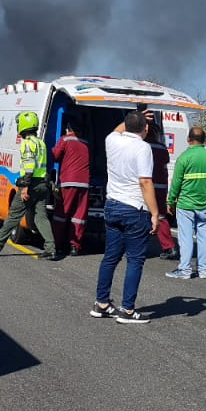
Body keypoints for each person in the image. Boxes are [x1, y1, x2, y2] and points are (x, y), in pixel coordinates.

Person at [91, 110, 160, 323]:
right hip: (134, 207)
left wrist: (135, 116)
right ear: (146, 128)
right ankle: (127, 309)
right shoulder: (143, 148)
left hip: (112, 205)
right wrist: (155, 213)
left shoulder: (111, 140)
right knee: (135, 260)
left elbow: (117, 130)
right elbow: (145, 182)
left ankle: (101, 303)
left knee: (111, 257)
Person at [0, 112, 61, 260]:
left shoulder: (26, 143)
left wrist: (25, 187)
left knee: (14, 215)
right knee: (41, 218)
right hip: (42, 184)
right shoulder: (41, 143)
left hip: (30, 185)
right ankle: (51, 248)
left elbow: (29, 166)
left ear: (24, 125)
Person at [166, 127, 206, 279]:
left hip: (186, 205)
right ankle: (203, 270)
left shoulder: (184, 157)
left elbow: (176, 183)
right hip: (205, 204)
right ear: (204, 140)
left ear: (188, 139)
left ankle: (185, 269)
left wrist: (170, 201)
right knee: (203, 236)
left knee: (186, 237)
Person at [51, 121, 92, 255]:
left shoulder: (65, 139)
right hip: (84, 183)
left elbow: (55, 156)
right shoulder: (86, 143)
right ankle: (74, 246)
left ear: (68, 129)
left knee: (62, 214)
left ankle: (57, 244)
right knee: (79, 216)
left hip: (68, 182)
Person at [145, 114, 178, 261]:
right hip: (160, 186)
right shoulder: (162, 148)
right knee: (161, 216)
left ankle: (138, 247)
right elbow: (164, 167)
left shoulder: (143, 146)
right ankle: (169, 247)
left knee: (141, 215)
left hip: (146, 185)